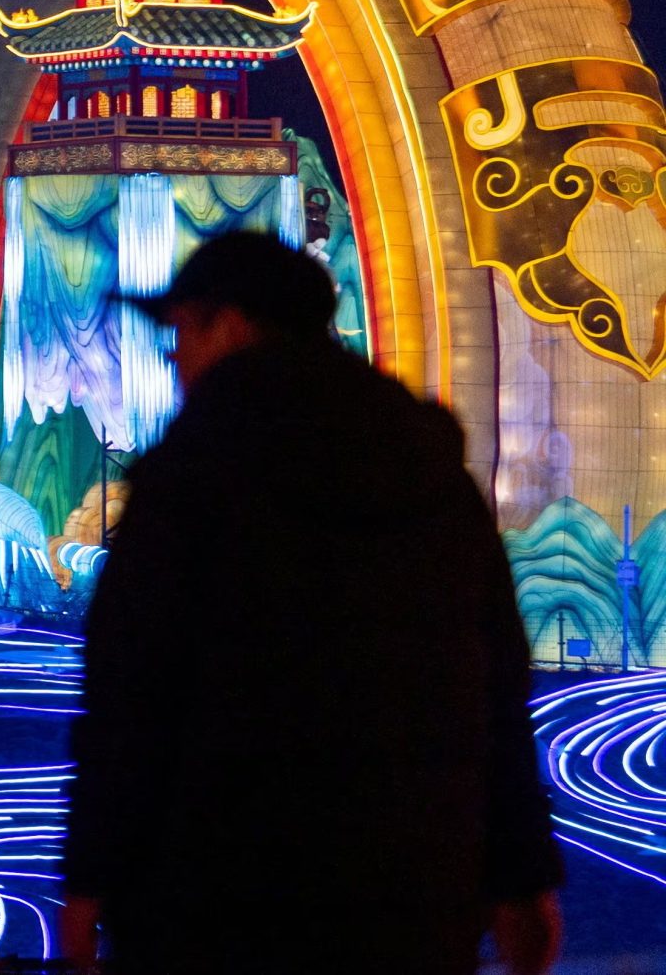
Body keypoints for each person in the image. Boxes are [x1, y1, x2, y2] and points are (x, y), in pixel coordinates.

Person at [61, 231, 564, 975]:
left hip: (214, 900)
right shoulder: (432, 480)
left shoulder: (188, 483)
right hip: (409, 900)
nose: (175, 357)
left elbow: (132, 698)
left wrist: (90, 880)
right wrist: (521, 878)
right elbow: (493, 690)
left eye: (182, 331)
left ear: (230, 325)